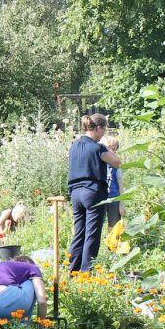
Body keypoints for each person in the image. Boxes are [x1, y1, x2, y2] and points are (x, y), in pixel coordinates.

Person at [67, 114, 121, 273]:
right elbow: (116, 162)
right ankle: (86, 272)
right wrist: (105, 147)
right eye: (104, 130)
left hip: (76, 193)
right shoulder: (98, 147)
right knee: (92, 234)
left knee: (79, 233)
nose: (104, 134)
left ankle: (72, 270)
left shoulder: (74, 145)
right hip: (93, 192)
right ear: (98, 128)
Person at [0, 256, 48, 323]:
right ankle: (23, 328)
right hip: (5, 304)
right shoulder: (32, 267)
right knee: (32, 281)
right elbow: (42, 302)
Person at [100, 135, 125, 228]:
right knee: (96, 225)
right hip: (100, 199)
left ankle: (113, 243)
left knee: (114, 227)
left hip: (114, 198)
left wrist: (121, 205)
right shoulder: (98, 164)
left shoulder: (117, 165)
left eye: (115, 149)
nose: (113, 152)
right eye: (111, 148)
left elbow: (121, 185)